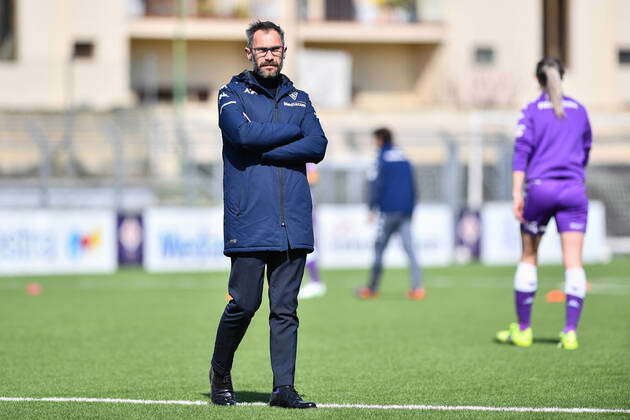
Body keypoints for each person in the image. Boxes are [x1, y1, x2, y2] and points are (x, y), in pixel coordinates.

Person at [209, 20, 327, 408]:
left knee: (285, 310)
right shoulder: (231, 94)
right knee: (244, 303)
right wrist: (291, 134)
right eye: (262, 50)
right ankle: (220, 371)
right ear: (249, 53)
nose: (269, 55)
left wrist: (268, 147)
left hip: (292, 222)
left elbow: (318, 144)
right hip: (250, 219)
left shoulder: (300, 98)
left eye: (275, 49)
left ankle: (283, 389)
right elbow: (241, 137)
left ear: (284, 51)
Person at [496, 57, 592, 350]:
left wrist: (516, 193)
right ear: (562, 77)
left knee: (528, 256)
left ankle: (524, 330)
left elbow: (520, 153)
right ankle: (570, 332)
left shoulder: (531, 111)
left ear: (537, 80)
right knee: (573, 261)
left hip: (540, 190)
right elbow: (586, 150)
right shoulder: (579, 111)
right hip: (574, 190)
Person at [356, 127, 424, 300]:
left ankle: (371, 288)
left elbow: (376, 184)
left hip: (388, 211)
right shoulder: (403, 157)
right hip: (406, 210)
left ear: (379, 139)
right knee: (410, 250)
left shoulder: (381, 159)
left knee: (379, 249)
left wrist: (372, 207)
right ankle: (418, 288)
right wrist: (412, 206)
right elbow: (413, 184)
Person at [297, 163, 326, 299]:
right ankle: (314, 281)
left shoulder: (306, 159)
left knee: (308, 244)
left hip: (305, 206)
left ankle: (315, 281)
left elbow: (314, 177)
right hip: (296, 207)